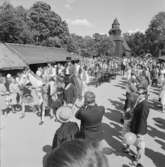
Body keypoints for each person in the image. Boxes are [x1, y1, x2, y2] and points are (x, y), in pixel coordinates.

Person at [130, 87, 150, 167]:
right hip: (136, 126)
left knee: (140, 145)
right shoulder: (139, 100)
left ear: (144, 94)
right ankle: (137, 157)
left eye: (139, 93)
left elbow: (142, 119)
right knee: (138, 144)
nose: (137, 94)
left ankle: (138, 162)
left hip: (140, 129)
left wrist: (139, 132)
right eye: (137, 93)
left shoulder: (144, 105)